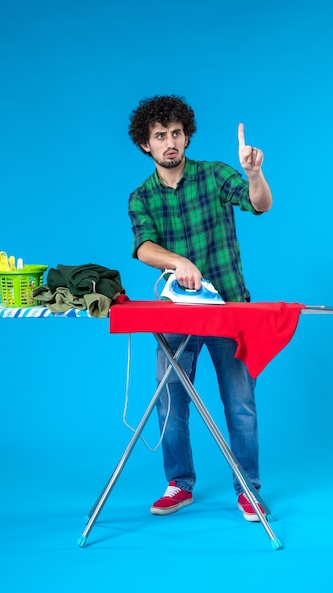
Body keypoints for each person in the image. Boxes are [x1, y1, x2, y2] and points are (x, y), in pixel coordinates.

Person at [127, 95, 273, 521]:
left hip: (227, 306)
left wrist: (254, 173)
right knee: (169, 398)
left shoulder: (214, 176)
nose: (169, 142)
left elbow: (259, 204)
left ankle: (248, 488)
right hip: (177, 314)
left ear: (186, 136)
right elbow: (143, 247)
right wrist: (179, 262)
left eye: (176, 133)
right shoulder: (141, 197)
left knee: (240, 401)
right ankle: (179, 484)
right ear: (146, 145)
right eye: (160, 136)